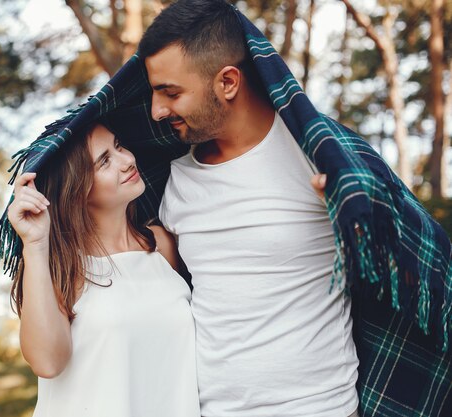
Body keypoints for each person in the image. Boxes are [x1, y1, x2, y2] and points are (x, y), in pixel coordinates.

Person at [135, 0, 451, 416]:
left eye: (170, 93)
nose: (157, 110)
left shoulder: (322, 159)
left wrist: (352, 223)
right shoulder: (176, 179)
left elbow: (413, 267)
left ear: (228, 81)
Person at [6, 122, 200, 417]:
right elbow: (47, 362)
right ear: (78, 189)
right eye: (104, 161)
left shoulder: (162, 245)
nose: (127, 160)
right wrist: (34, 245)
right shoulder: (62, 265)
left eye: (119, 145)